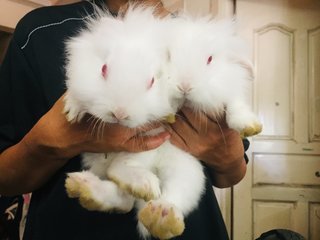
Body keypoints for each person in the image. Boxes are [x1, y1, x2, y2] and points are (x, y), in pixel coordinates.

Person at [0, 0, 248, 239]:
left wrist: (225, 149)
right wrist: (52, 143)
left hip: (190, 224)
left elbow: (232, 173)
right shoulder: (40, 32)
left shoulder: (193, 36)